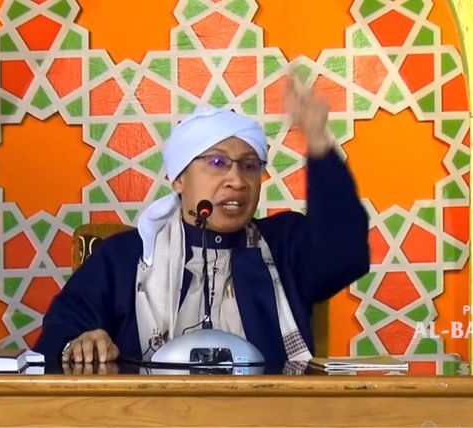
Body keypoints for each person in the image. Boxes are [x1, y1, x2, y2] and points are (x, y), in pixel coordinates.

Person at [36, 75, 370, 367]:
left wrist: (320, 143)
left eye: (250, 166)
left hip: (269, 414)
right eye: (217, 163)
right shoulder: (124, 257)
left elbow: (345, 253)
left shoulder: (284, 246)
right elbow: (57, 338)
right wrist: (80, 344)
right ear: (179, 179)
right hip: (149, 416)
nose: (237, 180)